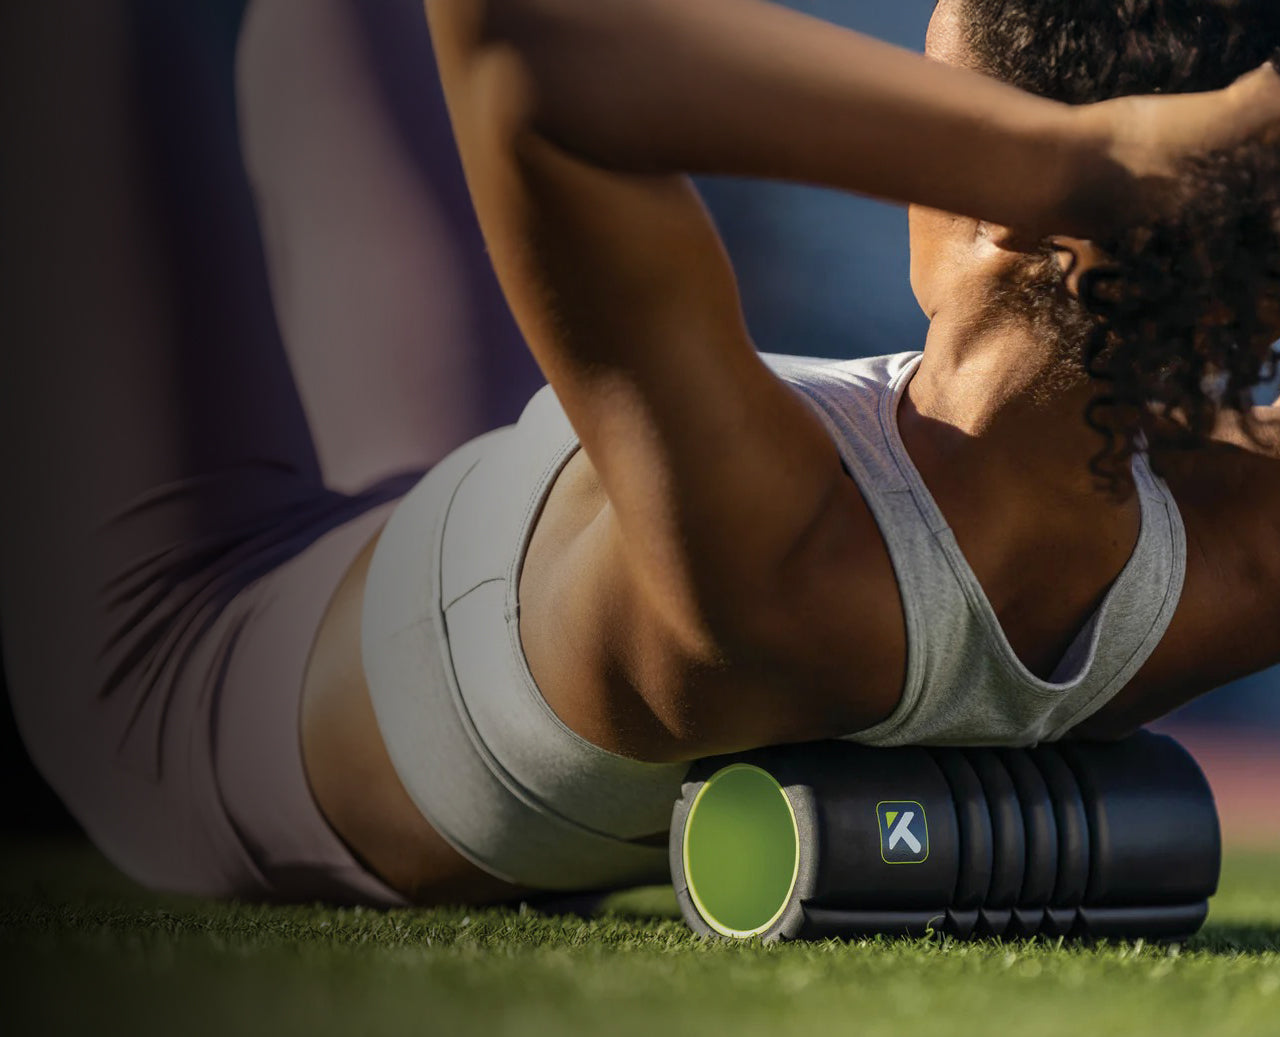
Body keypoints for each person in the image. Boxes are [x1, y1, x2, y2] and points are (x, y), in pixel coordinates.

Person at [3, 0, 1279, 909]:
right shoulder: (1236, 546)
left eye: (935, 112)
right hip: (444, 554)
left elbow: (525, 49)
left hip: (181, 661)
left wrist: (1089, 160)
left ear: (1010, 205)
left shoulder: (793, 550)